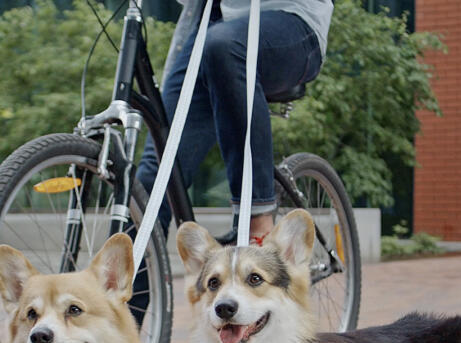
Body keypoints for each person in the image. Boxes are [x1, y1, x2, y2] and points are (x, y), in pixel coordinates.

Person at [135, 0, 334, 244]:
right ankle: (133, 267)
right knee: (157, 171)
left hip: (290, 16)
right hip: (211, 21)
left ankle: (258, 221)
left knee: (224, 45)